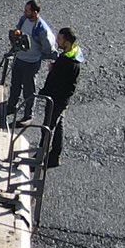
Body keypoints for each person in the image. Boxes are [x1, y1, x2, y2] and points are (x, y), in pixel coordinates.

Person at [4, 0, 56, 124]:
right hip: (19, 59)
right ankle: (11, 106)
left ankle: (28, 115)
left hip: (31, 64)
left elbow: (48, 49)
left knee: (29, 90)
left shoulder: (41, 29)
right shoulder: (24, 20)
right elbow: (18, 34)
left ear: (35, 12)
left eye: (27, 10)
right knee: (15, 85)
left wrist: (38, 56)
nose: (24, 12)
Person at [41, 28, 82, 166]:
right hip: (59, 99)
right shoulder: (70, 55)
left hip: (57, 100)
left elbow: (65, 84)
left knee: (48, 127)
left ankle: (40, 156)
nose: (57, 41)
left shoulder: (69, 62)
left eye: (60, 39)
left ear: (67, 42)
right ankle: (54, 156)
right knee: (58, 127)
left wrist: (53, 70)